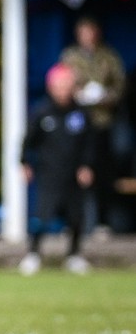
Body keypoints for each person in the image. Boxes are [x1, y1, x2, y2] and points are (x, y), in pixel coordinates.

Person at [19, 63, 95, 275]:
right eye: (60, 85)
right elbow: (29, 141)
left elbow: (89, 144)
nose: (63, 90)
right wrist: (24, 163)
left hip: (73, 174)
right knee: (41, 217)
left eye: (67, 85)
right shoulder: (42, 112)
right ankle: (33, 254)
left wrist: (86, 166)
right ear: (51, 87)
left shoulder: (81, 114)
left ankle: (74, 255)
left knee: (76, 217)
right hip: (49, 174)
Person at [59, 16, 126, 231]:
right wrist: (78, 94)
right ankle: (71, 222)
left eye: (91, 31)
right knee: (71, 171)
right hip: (77, 122)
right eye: (83, 32)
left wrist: (105, 97)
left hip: (102, 122)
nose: (87, 36)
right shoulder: (70, 56)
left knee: (103, 172)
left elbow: (120, 86)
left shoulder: (108, 57)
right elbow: (60, 82)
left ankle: (102, 222)